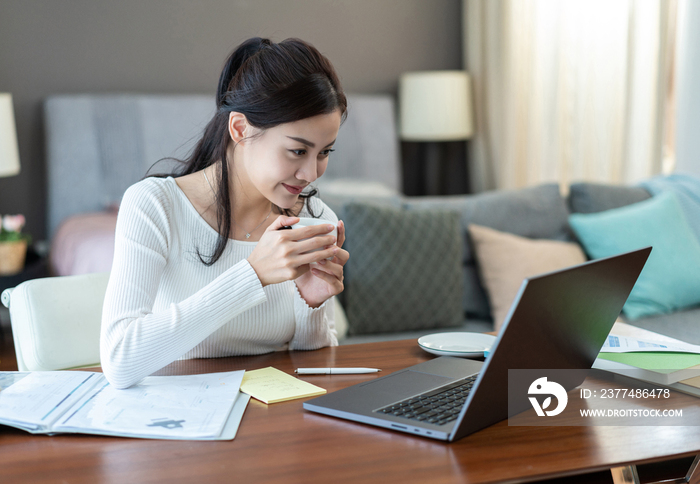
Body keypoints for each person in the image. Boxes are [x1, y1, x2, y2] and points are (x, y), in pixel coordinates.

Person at [100, 37, 349, 389]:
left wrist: (311, 302)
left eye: (324, 153)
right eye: (297, 151)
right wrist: (252, 275)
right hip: (178, 425)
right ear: (240, 129)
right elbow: (119, 360)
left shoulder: (314, 216)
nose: (311, 174)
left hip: (276, 429)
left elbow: (311, 367)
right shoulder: (154, 206)